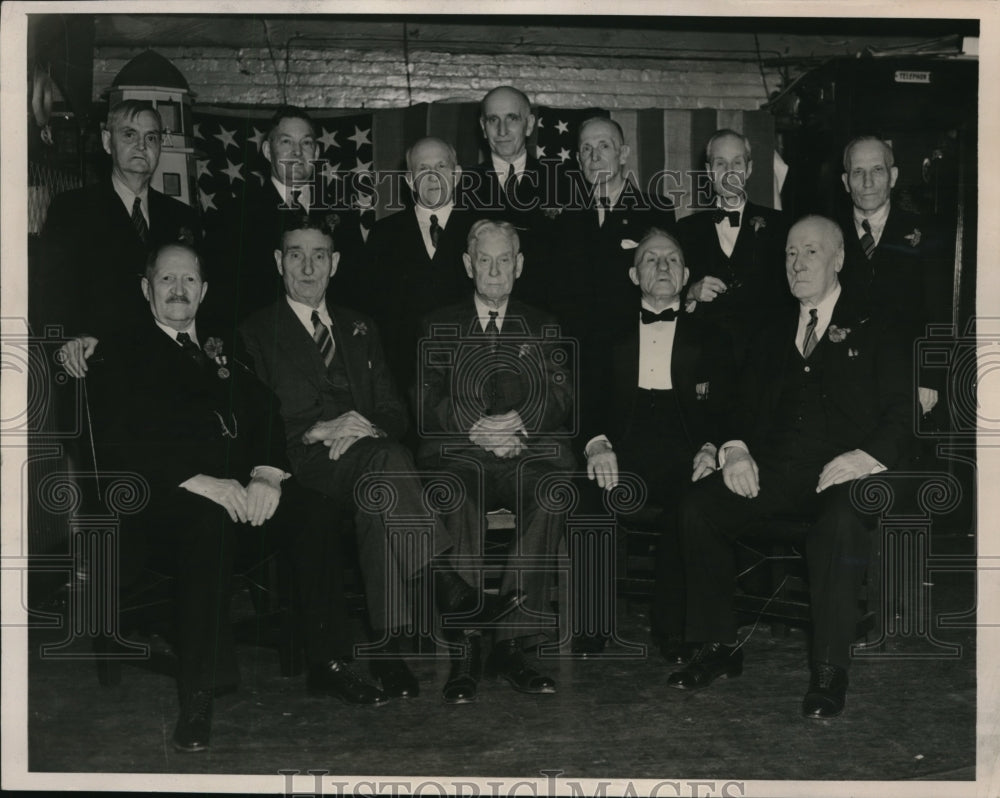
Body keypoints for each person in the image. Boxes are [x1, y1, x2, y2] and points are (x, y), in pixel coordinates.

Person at [89, 242, 386, 754]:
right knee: (205, 525)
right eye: (166, 280)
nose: (178, 291)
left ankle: (329, 662)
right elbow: (120, 440)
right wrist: (200, 481)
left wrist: (267, 475)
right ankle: (199, 692)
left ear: (204, 291)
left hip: (239, 496)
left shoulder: (222, 346)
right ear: (146, 289)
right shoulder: (121, 351)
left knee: (313, 511)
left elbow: (266, 409)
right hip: (160, 505)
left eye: (189, 281)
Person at [238, 214, 517, 702]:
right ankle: (446, 584)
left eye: (320, 255)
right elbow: (250, 424)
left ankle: (388, 653)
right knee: (386, 464)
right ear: (279, 262)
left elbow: (394, 410)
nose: (309, 266)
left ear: (336, 262)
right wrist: (317, 430)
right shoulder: (255, 332)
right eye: (297, 255)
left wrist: (365, 426)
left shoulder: (360, 326)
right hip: (301, 464)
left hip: (368, 458)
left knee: (379, 487)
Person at [668, 215, 912, 719]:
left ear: (839, 259)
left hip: (846, 471)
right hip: (775, 470)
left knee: (840, 523)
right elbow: (734, 402)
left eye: (811, 253)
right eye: (790, 254)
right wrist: (734, 448)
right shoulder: (770, 326)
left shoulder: (878, 319)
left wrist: (865, 457)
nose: (797, 264)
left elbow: (904, 408)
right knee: (699, 508)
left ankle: (829, 669)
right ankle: (717, 647)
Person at [417, 219, 577, 702]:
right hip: (462, 452)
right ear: (468, 265)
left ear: (519, 265)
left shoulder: (544, 325)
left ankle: (514, 645)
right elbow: (426, 398)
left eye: (503, 259)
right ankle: (465, 647)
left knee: (552, 493)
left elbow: (562, 396)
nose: (493, 269)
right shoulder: (436, 325)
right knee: (456, 494)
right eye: (483, 260)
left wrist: (518, 423)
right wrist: (476, 426)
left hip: (525, 451)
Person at [579, 229, 733, 657]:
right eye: (651, 259)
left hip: (685, 446)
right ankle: (592, 623)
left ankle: (673, 627)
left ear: (685, 275)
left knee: (690, 502)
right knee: (589, 494)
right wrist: (595, 443)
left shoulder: (714, 337)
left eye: (671, 260)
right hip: (622, 444)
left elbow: (728, 404)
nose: (662, 266)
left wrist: (711, 446)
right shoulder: (604, 333)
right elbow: (585, 398)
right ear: (633, 275)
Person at [39, 99, 200, 377]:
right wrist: (67, 339)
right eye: (129, 134)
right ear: (106, 141)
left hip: (171, 366)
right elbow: (49, 292)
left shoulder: (181, 216)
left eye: (151, 137)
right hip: (101, 364)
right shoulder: (73, 209)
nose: (141, 145)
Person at [203, 105, 366, 334]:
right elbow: (224, 299)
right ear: (268, 151)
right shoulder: (235, 215)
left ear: (317, 153)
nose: (297, 152)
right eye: (286, 142)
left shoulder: (342, 210)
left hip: (334, 343)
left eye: (306, 143)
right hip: (268, 346)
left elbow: (358, 287)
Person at [837, 135, 951, 422]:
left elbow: (939, 312)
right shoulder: (826, 231)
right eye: (857, 172)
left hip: (907, 380)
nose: (867, 182)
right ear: (845, 180)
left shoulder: (926, 233)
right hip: (841, 379)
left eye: (877, 170)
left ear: (893, 176)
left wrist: (931, 378)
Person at [362, 136, 473, 397]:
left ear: (456, 175)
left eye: (441, 167)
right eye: (423, 169)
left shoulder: (480, 229)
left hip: (470, 376)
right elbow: (371, 312)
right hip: (402, 381)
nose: (433, 176)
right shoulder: (383, 234)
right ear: (410, 180)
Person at [550, 116, 676, 345]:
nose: (594, 156)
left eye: (604, 146)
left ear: (623, 154)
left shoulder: (657, 211)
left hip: (636, 347)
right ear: (579, 159)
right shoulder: (562, 217)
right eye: (586, 148)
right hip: (575, 351)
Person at [676, 129, 789, 365]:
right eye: (720, 163)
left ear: (748, 169)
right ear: (708, 172)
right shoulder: (684, 230)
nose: (729, 172)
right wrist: (690, 292)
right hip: (704, 362)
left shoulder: (781, 226)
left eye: (737, 163)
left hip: (766, 362)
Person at [459, 86, 554, 308]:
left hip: (543, 319)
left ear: (529, 124)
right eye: (493, 120)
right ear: (483, 127)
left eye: (512, 118)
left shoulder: (562, 183)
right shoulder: (462, 185)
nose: (502, 131)